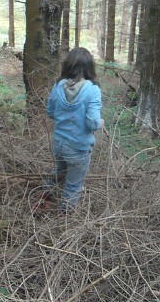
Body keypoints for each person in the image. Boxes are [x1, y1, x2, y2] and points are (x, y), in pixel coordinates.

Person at [41, 47, 103, 213]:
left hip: (59, 144)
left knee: (60, 172)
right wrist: (100, 123)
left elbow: (50, 113)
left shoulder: (58, 86)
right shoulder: (93, 90)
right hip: (78, 148)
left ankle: (43, 195)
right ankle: (66, 219)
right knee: (74, 185)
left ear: (68, 66)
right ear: (90, 68)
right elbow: (92, 123)